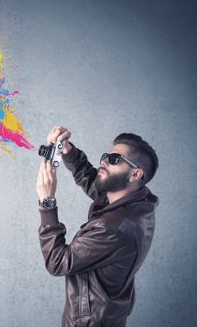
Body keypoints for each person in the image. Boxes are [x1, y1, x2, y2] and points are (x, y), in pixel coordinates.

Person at [36, 126, 159, 327]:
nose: (103, 161)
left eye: (114, 159)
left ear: (135, 174)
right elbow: (98, 187)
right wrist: (68, 151)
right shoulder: (136, 203)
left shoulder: (114, 228)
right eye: (105, 156)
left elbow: (57, 262)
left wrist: (47, 201)